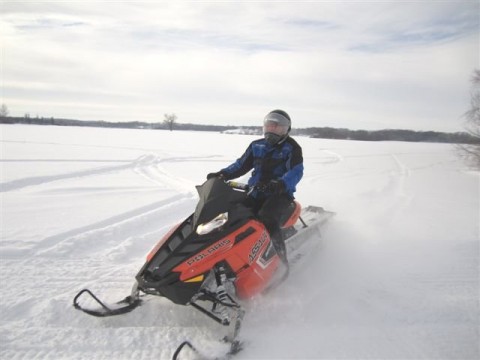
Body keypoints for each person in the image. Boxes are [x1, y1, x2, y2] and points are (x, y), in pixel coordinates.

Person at [207, 109, 304, 264]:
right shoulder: (257, 145)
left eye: (276, 127)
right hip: (256, 191)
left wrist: (281, 183)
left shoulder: (292, 148)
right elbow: (240, 165)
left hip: (279, 193)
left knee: (267, 216)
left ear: (286, 129)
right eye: (270, 126)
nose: (272, 129)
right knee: (231, 213)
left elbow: (296, 171)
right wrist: (223, 174)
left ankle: (281, 259)